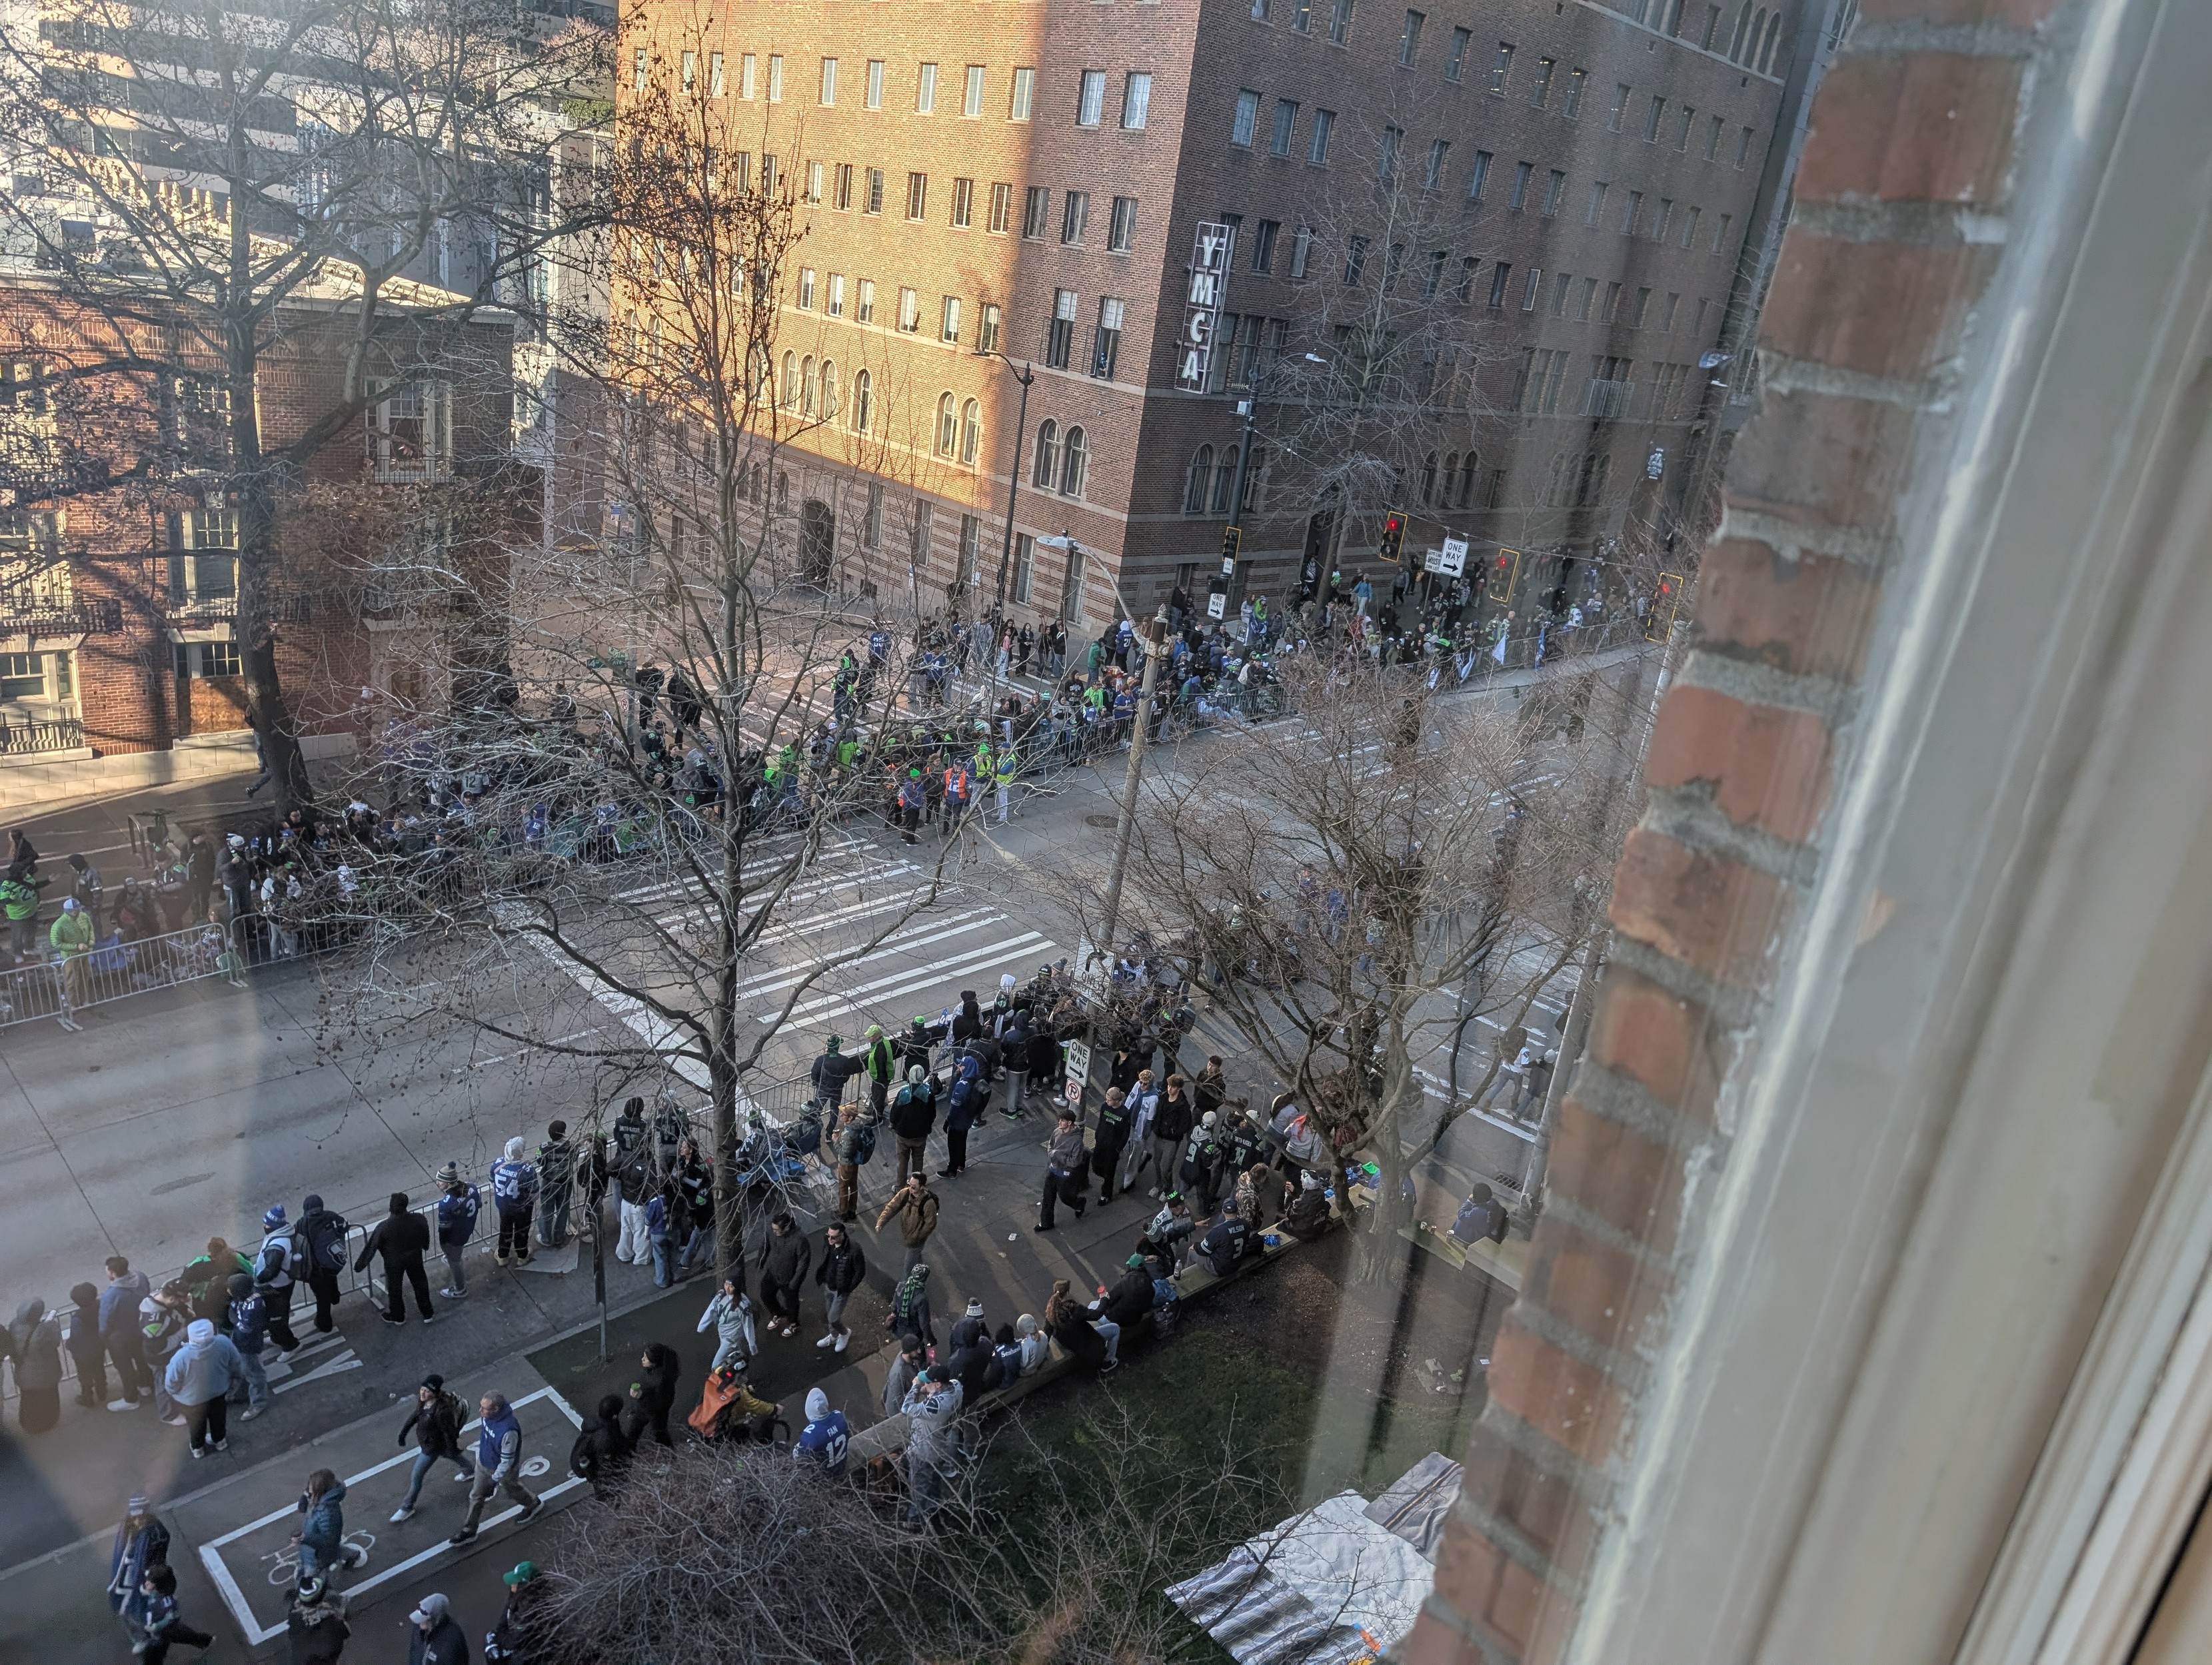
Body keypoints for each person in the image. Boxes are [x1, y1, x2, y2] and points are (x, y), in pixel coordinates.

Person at [451, 1390, 541, 1544]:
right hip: (483, 1463)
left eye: (484, 1408)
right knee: (476, 1496)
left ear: (496, 1410)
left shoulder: (509, 1431)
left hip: (502, 1469)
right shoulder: (487, 1417)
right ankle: (469, 1530)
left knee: (513, 1490)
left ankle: (533, 1504)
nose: (480, 1411)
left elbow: (506, 1461)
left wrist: (494, 1480)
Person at [391, 1375, 472, 1522]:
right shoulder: (424, 1403)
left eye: (427, 1391)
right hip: (430, 1444)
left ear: (434, 1393)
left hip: (432, 1448)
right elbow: (414, 1416)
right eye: (422, 1389)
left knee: (416, 1476)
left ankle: (406, 1507)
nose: (422, 1393)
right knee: (453, 1456)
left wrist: (451, 1447)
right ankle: (469, 1470)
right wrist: (403, 1433)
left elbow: (449, 1433)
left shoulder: (442, 1411)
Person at [165, 1317, 243, 1458]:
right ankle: (220, 1441)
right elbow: (236, 1363)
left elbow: (171, 1382)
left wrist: (174, 1393)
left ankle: (198, 1449)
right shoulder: (223, 1343)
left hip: (191, 1401)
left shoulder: (181, 1357)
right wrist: (235, 1380)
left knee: (196, 1425)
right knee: (218, 1419)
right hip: (218, 1393)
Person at [355, 1192, 435, 1327]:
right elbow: (425, 1233)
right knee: (420, 1283)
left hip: (393, 1262)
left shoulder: (384, 1227)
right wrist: (425, 1246)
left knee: (395, 1289)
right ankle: (427, 1313)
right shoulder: (418, 1219)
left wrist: (360, 1265)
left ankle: (398, 1316)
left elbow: (371, 1247)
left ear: (391, 1208)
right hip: (415, 1257)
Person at [901, 1370, 964, 1527]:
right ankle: (935, 1509)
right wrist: (928, 1389)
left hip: (924, 1451)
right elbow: (940, 1393)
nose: (923, 1383)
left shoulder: (937, 1406)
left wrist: (915, 1388)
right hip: (940, 1446)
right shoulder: (956, 1387)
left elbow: (906, 1408)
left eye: (927, 1382)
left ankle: (915, 1522)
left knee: (918, 1489)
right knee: (935, 1482)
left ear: (938, 1384)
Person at [109, 1493, 170, 1650]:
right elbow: (120, 1553)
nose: (138, 1521)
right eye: (135, 1517)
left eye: (141, 1517)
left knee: (147, 1606)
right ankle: (140, 1637)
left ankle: (154, 1633)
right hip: (126, 1574)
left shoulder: (157, 1532)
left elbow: (159, 1558)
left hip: (147, 1575)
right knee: (123, 1606)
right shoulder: (126, 1528)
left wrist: (153, 1577)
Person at [294, 1468, 369, 1580]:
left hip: (318, 1554)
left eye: (311, 1487)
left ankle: (326, 1591)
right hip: (317, 1548)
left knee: (314, 1577)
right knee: (335, 1550)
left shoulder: (327, 1512)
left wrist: (305, 1539)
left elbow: (328, 1539)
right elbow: (302, 1508)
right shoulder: (318, 1500)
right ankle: (353, 1555)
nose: (308, 1489)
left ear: (320, 1489)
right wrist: (305, 1496)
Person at [136, 1562, 213, 1664]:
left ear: (159, 1586)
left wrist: (155, 1627)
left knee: (154, 1656)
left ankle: (205, 1641)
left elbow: (168, 1619)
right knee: (179, 1634)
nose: (146, 1583)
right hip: (161, 1629)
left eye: (150, 1582)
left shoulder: (168, 1604)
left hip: (159, 1634)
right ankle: (205, 1641)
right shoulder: (156, 1594)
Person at [9, 1297, 63, 1433]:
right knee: (48, 1398)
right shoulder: (43, 1332)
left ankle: (29, 1424)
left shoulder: (14, 1325)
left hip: (25, 1373)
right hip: (46, 1374)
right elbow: (55, 1341)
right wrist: (51, 1324)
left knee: (29, 1400)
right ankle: (47, 1422)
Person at [814, 1219, 867, 1352]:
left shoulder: (854, 1249)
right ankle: (833, 1335)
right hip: (828, 1286)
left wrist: (849, 1288)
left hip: (841, 1290)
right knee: (829, 1315)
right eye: (829, 1236)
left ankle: (844, 1333)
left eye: (834, 1237)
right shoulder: (828, 1243)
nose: (830, 1239)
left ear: (842, 1234)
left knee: (833, 1318)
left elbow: (860, 1271)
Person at [610, 1097, 653, 1263]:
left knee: (618, 1190)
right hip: (638, 1160)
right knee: (637, 1186)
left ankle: (621, 1217)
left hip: (621, 1157)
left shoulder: (619, 1121)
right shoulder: (644, 1124)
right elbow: (647, 1142)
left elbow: (616, 1136)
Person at [1044, 1278, 1116, 1373]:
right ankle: (1109, 1360)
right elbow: (1096, 1315)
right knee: (1115, 1329)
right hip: (1089, 1346)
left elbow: (1047, 1334)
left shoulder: (1051, 1311)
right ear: (1067, 1293)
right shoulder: (1074, 1309)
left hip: (1068, 1343)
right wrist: (1104, 1299)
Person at [570, 1394, 635, 1497]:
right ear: (614, 1415)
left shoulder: (596, 1420)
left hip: (583, 1458)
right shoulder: (604, 1440)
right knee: (606, 1489)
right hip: (591, 1466)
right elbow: (604, 1468)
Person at [1035, 1107, 1088, 1233]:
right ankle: (1046, 1223)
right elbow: (1051, 1145)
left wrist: (1059, 1156)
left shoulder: (1076, 1141)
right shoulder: (1057, 1132)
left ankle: (1079, 1204)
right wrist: (1051, 1153)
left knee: (1066, 1198)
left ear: (1070, 1123)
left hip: (1065, 1175)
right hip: (1053, 1170)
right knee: (1047, 1197)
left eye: (1062, 1121)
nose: (1059, 1123)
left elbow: (1075, 1162)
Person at [875, 1173, 940, 1274]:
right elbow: (891, 1208)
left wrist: (917, 1237)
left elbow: (930, 1224)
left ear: (921, 1186)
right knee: (916, 1259)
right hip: (908, 1234)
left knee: (908, 1268)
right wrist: (881, 1222)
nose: (911, 1188)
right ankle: (922, 1273)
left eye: (914, 1187)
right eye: (910, 1184)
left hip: (916, 1240)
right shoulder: (905, 1193)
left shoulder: (929, 1203)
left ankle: (905, 1285)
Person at [490, 1138, 539, 1267]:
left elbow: (492, 1181)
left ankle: (502, 1256)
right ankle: (522, 1256)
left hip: (504, 1206)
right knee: (522, 1231)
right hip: (522, 1208)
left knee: (505, 1229)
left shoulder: (497, 1164)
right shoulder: (527, 1169)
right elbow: (535, 1192)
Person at [887, 1064, 938, 1187]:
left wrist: (893, 1124)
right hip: (920, 1134)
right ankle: (917, 1185)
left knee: (902, 1161)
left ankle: (900, 1187)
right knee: (918, 1159)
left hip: (903, 1134)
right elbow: (932, 1113)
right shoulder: (928, 1092)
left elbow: (894, 1112)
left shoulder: (903, 1091)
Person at [435, 1163, 479, 1299]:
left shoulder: (447, 1204)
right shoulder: (471, 1187)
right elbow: (479, 1204)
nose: (437, 1183)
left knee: (455, 1261)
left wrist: (445, 1246)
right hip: (468, 1228)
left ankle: (460, 1289)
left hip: (456, 1236)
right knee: (455, 1256)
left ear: (448, 1183)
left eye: (440, 1181)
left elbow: (444, 1229)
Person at [286, 1574, 351, 1665]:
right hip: (324, 1659)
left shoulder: (294, 1615)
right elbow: (345, 1633)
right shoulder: (332, 1622)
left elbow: (291, 1634)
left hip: (301, 1659)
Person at [485, 1561, 542, 1663]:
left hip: (532, 1653)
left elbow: (518, 1640)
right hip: (518, 1643)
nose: (512, 1585)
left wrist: (497, 1638)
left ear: (525, 1586)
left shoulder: (531, 1609)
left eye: (516, 1582)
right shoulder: (516, 1596)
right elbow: (503, 1622)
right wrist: (497, 1635)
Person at [1148, 1074, 1194, 1199]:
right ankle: (1158, 1185)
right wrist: (1155, 1127)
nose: (1170, 1089)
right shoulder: (1163, 1097)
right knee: (1156, 1162)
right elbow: (1158, 1114)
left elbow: (1186, 1124)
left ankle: (1166, 1189)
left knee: (1166, 1167)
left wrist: (1174, 1132)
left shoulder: (1183, 1105)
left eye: (1173, 1087)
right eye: (1169, 1086)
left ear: (1179, 1088)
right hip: (1159, 1136)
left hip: (1172, 1140)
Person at [696, 1278, 757, 1371]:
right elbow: (711, 1309)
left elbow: (748, 1326)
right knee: (730, 1361)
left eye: (731, 1286)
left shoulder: (742, 1305)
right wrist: (702, 1326)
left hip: (731, 1340)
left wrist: (752, 1346)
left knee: (716, 1367)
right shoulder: (721, 1295)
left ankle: (735, 1374)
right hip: (723, 1335)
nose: (727, 1288)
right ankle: (738, 1374)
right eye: (726, 1284)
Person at [67, 1280, 108, 1408]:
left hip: (83, 1353)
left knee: (85, 1376)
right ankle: (102, 1392)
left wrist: (70, 1345)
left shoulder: (78, 1318)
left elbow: (77, 1336)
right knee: (99, 1369)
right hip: (99, 1346)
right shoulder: (101, 1306)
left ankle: (87, 1397)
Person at [536, 1121, 576, 1249]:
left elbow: (539, 1161)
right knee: (563, 1209)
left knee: (547, 1210)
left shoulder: (544, 1148)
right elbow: (575, 1158)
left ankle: (546, 1238)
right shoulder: (571, 1147)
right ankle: (559, 1237)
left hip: (549, 1182)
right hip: (565, 1182)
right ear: (563, 1133)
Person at [794, 1387, 850, 1479]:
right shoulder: (840, 1416)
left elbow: (803, 1463)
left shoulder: (809, 1436)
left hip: (825, 1475)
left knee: (796, 1450)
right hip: (842, 1465)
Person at [1091, 1087, 1134, 1206]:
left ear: (1116, 1100)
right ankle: (1105, 1178)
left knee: (1109, 1173)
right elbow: (1101, 1121)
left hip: (1112, 1147)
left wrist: (1118, 1147)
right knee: (1095, 1165)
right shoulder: (1105, 1107)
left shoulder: (1124, 1113)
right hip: (1101, 1143)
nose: (1107, 1102)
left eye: (1109, 1100)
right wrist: (1098, 1135)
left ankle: (1106, 1195)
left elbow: (1125, 1133)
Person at [1180, 1111, 1227, 1217]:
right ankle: (1204, 1212)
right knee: (1202, 1193)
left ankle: (1174, 1207)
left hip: (1187, 1166)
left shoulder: (1194, 1130)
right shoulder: (1209, 1142)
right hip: (1200, 1173)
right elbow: (1206, 1162)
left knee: (1181, 1192)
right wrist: (1215, 1159)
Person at [636, 1341, 681, 1446]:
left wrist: (641, 1396)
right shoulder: (652, 1371)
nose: (642, 1359)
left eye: (646, 1358)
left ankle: (670, 1454)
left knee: (660, 1433)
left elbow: (661, 1404)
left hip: (655, 1413)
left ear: (655, 1362)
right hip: (643, 1407)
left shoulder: (662, 1381)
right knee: (635, 1430)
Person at [1138, 1191, 1198, 1267]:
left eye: (1180, 1204)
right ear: (1170, 1207)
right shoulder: (1161, 1220)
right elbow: (1154, 1238)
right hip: (1169, 1245)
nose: (1178, 1208)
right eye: (1174, 1206)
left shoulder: (1186, 1212)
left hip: (1183, 1241)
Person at [408, 1592, 469, 1665]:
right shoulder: (419, 1630)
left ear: (434, 1619)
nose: (419, 1622)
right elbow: (414, 1652)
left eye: (424, 1618)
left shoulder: (451, 1640)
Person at [831, 1103, 868, 1222]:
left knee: (843, 1187)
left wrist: (836, 1142)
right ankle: (852, 1210)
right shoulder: (858, 1126)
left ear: (850, 1118)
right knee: (853, 1186)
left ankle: (843, 1212)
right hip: (854, 1163)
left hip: (846, 1165)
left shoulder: (848, 1134)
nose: (841, 1116)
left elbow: (845, 1153)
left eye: (844, 1114)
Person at [888, 1261, 936, 1349]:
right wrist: (930, 1339)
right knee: (918, 1353)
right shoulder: (922, 1298)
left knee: (906, 1349)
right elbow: (924, 1324)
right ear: (924, 1279)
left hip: (899, 1328)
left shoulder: (901, 1285)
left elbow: (894, 1306)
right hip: (914, 1333)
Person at [1450, 1183, 1510, 1247]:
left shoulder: (1480, 1212)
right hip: (1482, 1230)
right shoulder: (1492, 1203)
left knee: (1462, 1219)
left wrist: (1469, 1201)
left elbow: (1461, 1215)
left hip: (1468, 1241)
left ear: (1476, 1198)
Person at [881, 1333, 926, 1418]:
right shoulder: (900, 1373)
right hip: (898, 1412)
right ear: (909, 1351)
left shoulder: (906, 1357)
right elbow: (897, 1402)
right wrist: (920, 1391)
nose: (919, 1351)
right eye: (916, 1350)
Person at [1283, 1172, 1334, 1242]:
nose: (1301, 1181)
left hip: (1307, 1232)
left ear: (1306, 1184)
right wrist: (1295, 1192)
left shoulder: (1303, 1201)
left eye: (1302, 1181)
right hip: (1319, 1225)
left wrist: (1287, 1198)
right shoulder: (1320, 1193)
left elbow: (1291, 1215)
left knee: (1284, 1223)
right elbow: (1308, 1200)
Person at [861, 1022, 898, 1115]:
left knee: (879, 1098)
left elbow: (881, 1068)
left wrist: (880, 1082)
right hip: (879, 1077)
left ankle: (877, 1117)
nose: (868, 1038)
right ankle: (872, 1110)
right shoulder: (883, 1041)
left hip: (881, 1079)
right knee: (875, 1095)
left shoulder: (880, 1050)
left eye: (870, 1037)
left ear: (877, 1036)